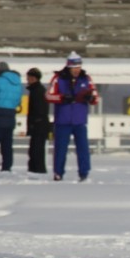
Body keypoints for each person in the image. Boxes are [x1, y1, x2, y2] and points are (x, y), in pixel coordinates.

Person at [45, 52, 98, 181]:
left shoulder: (86, 79)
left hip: (79, 120)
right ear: (69, 67)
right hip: (63, 120)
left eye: (79, 67)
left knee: (83, 148)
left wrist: (90, 98)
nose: (77, 70)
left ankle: (84, 173)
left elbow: (95, 98)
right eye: (74, 68)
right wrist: (63, 98)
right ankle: (58, 173)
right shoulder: (58, 79)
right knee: (60, 149)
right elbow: (48, 96)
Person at [24, 67, 50, 174]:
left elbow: (39, 110)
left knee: (36, 149)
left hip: (39, 125)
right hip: (39, 124)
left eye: (29, 77)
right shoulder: (37, 90)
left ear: (34, 78)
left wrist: (34, 123)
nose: (27, 80)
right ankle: (35, 169)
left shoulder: (38, 91)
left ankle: (37, 170)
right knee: (35, 148)